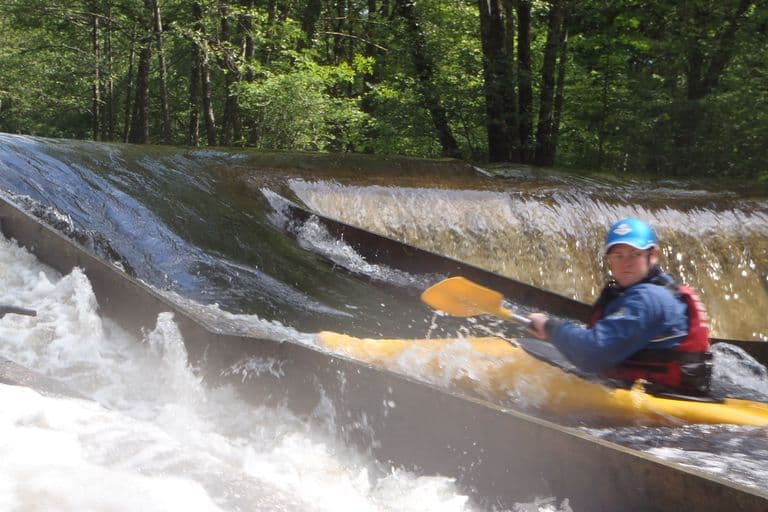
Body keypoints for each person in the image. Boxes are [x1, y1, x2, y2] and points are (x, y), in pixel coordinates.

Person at [527, 218, 712, 396]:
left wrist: (549, 327)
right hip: (655, 392)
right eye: (618, 256)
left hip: (659, 409)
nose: (626, 263)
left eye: (635, 254)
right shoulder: (653, 291)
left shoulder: (648, 299)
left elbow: (592, 354)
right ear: (609, 259)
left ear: (653, 256)